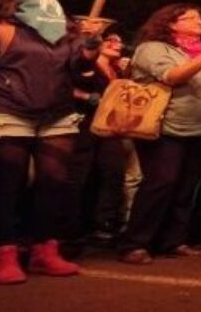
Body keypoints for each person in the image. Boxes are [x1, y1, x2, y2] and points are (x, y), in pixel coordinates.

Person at [0, 0, 103, 284]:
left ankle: (44, 251)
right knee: (6, 184)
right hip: (7, 112)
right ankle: (3, 252)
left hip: (56, 116)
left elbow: (78, 71)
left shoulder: (64, 33)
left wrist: (90, 46)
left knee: (55, 182)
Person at [117, 4, 201, 264]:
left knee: (186, 188)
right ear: (170, 23)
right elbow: (172, 76)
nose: (199, 21)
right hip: (165, 126)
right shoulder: (153, 49)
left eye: (200, 17)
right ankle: (135, 242)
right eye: (189, 17)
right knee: (161, 183)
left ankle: (173, 240)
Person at [69, 29, 130, 245]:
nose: (116, 43)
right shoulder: (86, 65)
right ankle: (73, 226)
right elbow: (65, 86)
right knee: (80, 174)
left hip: (109, 127)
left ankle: (103, 222)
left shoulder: (119, 71)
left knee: (113, 171)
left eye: (119, 41)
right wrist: (87, 96)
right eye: (110, 39)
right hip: (84, 123)